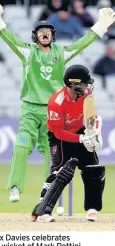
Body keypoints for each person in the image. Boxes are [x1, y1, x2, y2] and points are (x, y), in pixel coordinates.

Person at [0, 2, 114, 203]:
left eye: (48, 31)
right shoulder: (28, 52)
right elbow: (9, 38)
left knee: (52, 154)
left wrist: (100, 27)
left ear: (53, 35)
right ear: (35, 36)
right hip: (29, 108)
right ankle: (15, 188)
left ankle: (48, 196)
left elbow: (82, 43)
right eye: (40, 31)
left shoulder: (61, 53)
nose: (44, 34)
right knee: (22, 145)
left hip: (53, 110)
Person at [31, 65, 105, 222]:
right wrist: (81, 139)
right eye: (84, 83)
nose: (87, 86)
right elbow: (57, 132)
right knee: (60, 172)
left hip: (79, 131)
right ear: (73, 83)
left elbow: (92, 116)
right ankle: (43, 209)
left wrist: (95, 132)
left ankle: (92, 209)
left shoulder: (86, 95)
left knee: (94, 169)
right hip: (60, 137)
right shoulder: (56, 103)